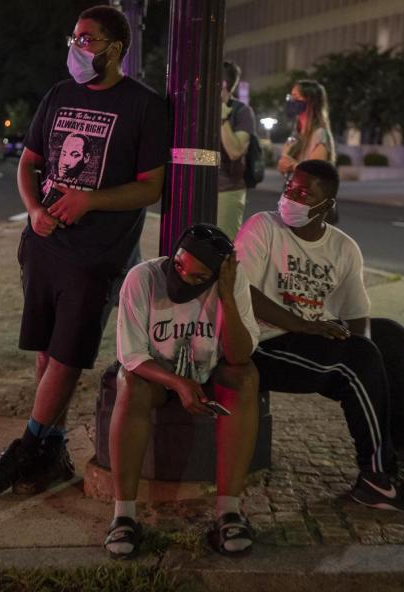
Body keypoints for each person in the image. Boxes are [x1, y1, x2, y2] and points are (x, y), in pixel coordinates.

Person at [0, 5, 169, 497]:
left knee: (66, 356)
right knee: (46, 354)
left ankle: (26, 446)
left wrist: (90, 200)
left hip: (98, 254)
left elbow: (151, 188)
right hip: (44, 246)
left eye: (87, 40)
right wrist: (33, 211)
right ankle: (53, 451)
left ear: (115, 48)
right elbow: (29, 163)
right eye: (74, 38)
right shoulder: (59, 95)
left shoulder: (144, 106)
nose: (76, 48)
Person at [235, 159, 404, 512]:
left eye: (304, 192)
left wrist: (365, 347)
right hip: (265, 343)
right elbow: (243, 291)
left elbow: (356, 314)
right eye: (290, 186)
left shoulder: (343, 247)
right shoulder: (263, 227)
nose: (292, 196)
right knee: (357, 360)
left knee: (389, 336)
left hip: (317, 334)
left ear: (326, 205)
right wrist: (305, 326)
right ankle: (377, 481)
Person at [104, 224, 262, 559]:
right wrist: (178, 383)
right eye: (179, 265)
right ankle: (124, 515)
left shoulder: (232, 283)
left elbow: (239, 355)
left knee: (247, 377)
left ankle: (228, 512)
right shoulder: (142, 278)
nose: (183, 278)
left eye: (195, 277)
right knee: (129, 384)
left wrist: (227, 298)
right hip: (156, 374)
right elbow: (131, 356)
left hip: (208, 369)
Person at [217, 60, 258, 240]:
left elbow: (234, 151)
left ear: (223, 84)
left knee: (223, 245)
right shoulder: (199, 108)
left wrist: (223, 117)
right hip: (197, 187)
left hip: (227, 190)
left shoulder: (241, 112)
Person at [277, 80, 336, 176]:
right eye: (291, 96)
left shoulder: (320, 134)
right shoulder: (296, 133)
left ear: (310, 101)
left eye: (296, 97)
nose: (291, 101)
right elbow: (284, 166)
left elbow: (316, 171)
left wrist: (293, 165)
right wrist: (283, 165)